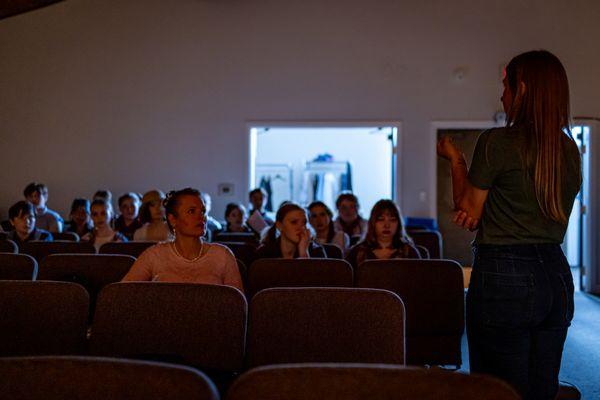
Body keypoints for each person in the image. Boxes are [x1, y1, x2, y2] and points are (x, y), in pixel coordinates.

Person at [437, 50, 581, 400]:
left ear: (523, 89)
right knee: (542, 388)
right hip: (557, 276)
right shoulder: (569, 148)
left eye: (506, 86)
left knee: (497, 390)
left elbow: (467, 210)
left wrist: (456, 160)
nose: (502, 94)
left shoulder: (498, 142)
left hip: (505, 275)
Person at [122, 188, 243, 292]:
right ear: (173, 220)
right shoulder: (154, 255)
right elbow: (121, 292)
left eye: (203, 211)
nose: (201, 216)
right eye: (191, 211)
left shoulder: (223, 255)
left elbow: (238, 306)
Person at [345, 199, 419, 268]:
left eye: (392, 220)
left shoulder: (409, 252)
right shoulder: (357, 252)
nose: (387, 225)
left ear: (398, 224)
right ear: (373, 223)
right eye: (381, 219)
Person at [256, 202, 326, 259]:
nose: (301, 228)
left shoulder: (316, 251)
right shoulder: (264, 253)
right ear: (279, 226)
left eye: (304, 223)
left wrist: (304, 253)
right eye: (294, 222)